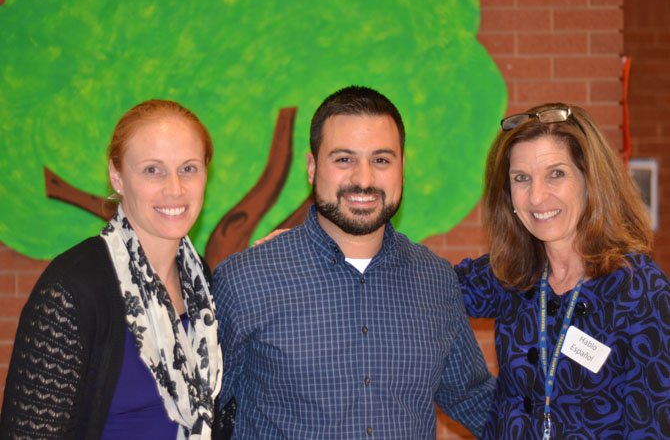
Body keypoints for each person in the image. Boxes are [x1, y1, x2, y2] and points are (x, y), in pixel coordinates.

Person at [213, 85, 495, 439]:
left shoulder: (435, 280)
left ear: (402, 167)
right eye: (344, 159)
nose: (363, 179)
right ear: (313, 167)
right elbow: (200, 410)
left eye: (381, 160)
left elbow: (473, 399)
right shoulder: (245, 280)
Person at [0, 100, 233, 439]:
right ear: (117, 175)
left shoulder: (201, 285)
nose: (174, 188)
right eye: (152, 170)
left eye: (188, 168)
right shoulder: (73, 287)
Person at [456, 103, 670, 439]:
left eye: (556, 174)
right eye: (521, 178)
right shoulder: (508, 274)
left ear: (590, 180)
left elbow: (654, 424)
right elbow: (429, 287)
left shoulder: (639, 288)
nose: (537, 197)